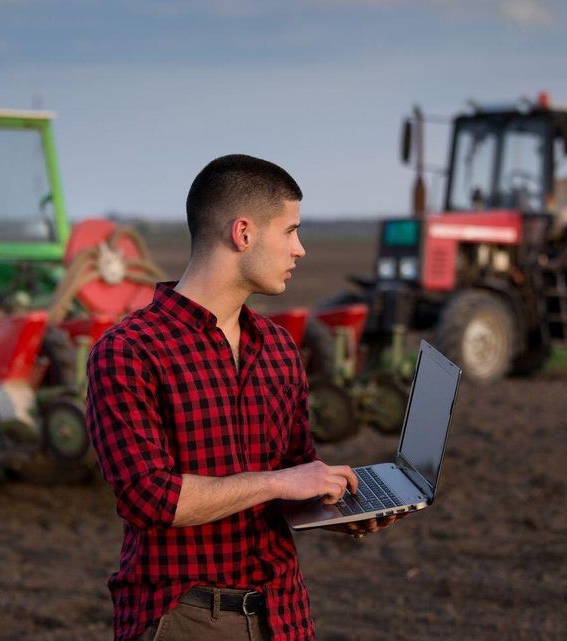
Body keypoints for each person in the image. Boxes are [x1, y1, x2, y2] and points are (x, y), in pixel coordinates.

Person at [87, 154, 397, 641]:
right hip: (184, 618)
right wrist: (278, 482)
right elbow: (150, 499)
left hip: (284, 614)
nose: (300, 249)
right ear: (243, 233)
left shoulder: (278, 348)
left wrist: (337, 510)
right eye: (290, 231)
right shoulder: (129, 351)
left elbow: (294, 477)